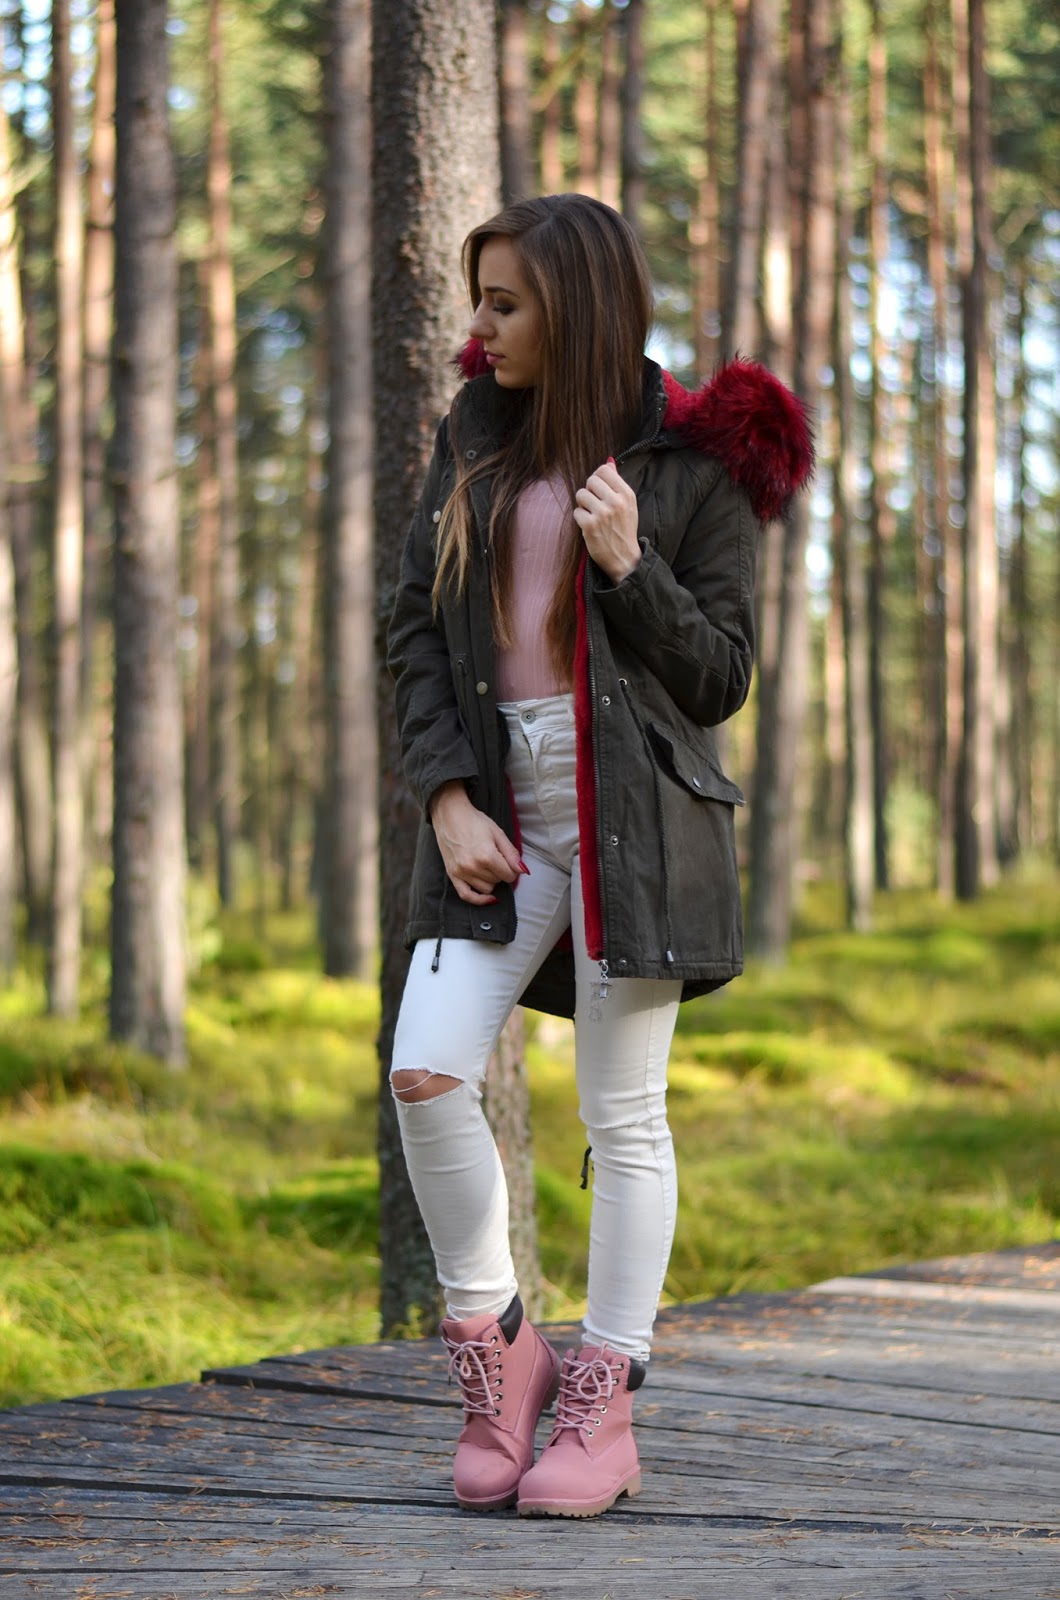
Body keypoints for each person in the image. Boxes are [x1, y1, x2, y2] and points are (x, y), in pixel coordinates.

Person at [386, 193, 813, 1519]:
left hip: (635, 823)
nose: (482, 329)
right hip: (497, 819)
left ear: (574, 308)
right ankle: (502, 1353)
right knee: (424, 1072)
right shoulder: (474, 435)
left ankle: (603, 1400)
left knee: (622, 1117)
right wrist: (446, 798)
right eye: (481, 300)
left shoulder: (698, 459)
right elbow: (415, 627)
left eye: (505, 303)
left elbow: (721, 675)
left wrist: (630, 565)